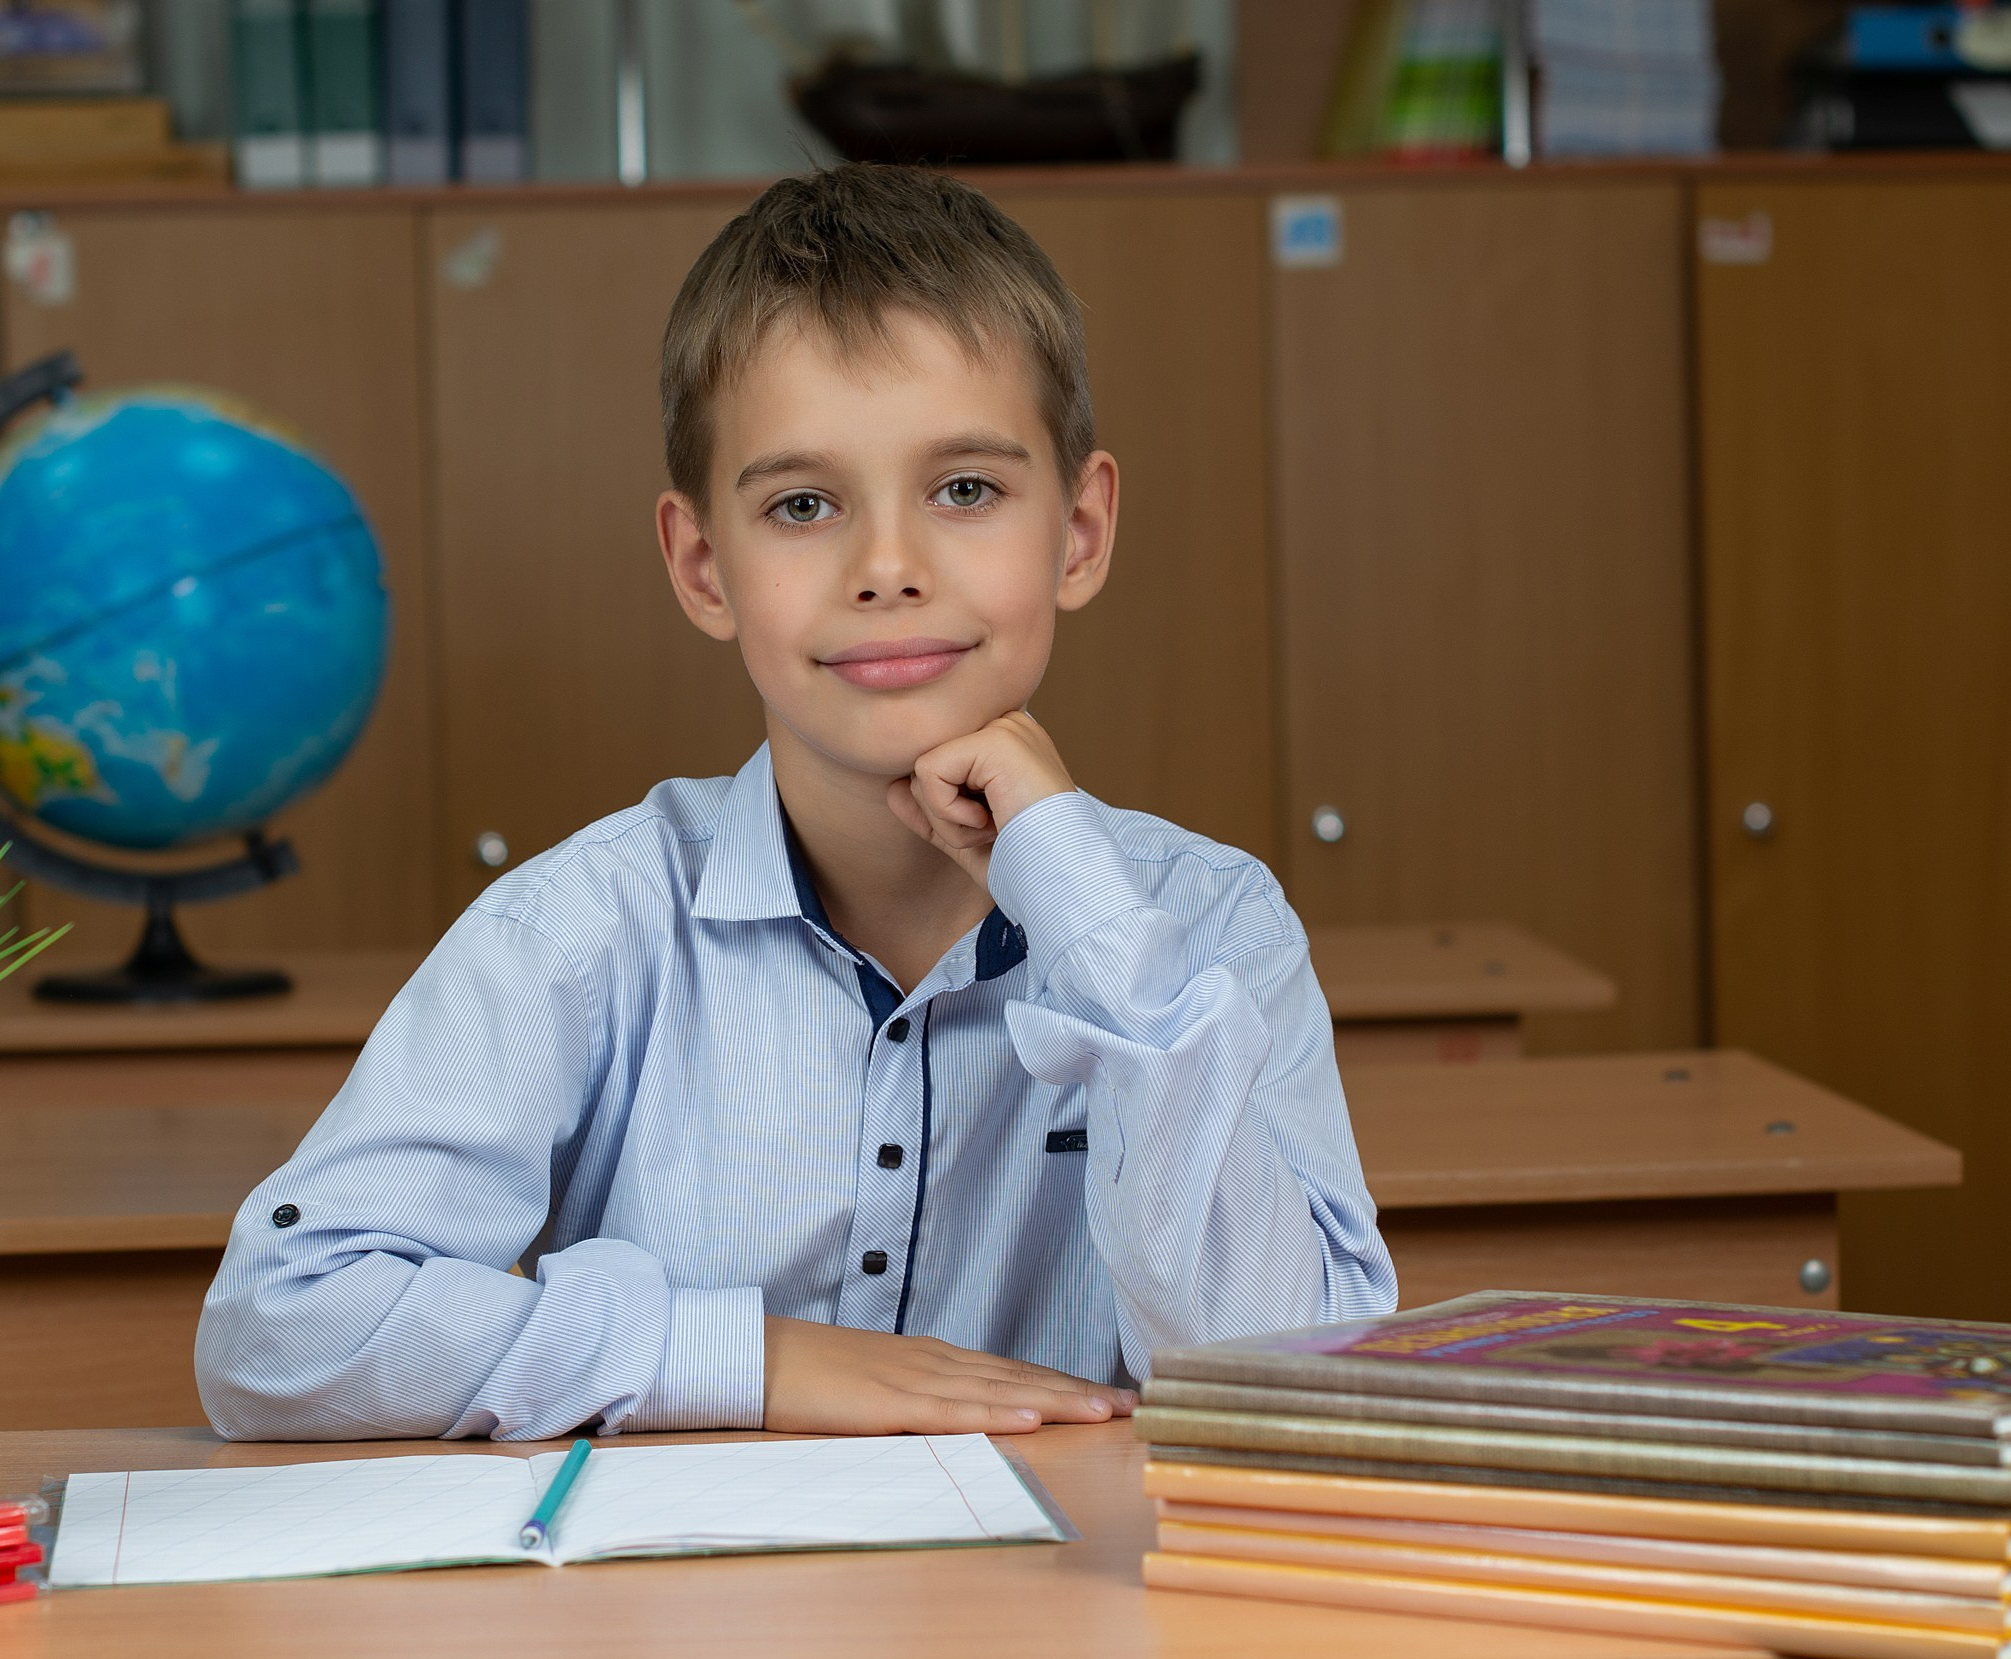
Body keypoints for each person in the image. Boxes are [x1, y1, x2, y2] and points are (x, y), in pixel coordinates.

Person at [196, 164, 1395, 1443]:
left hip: (1074, 1625)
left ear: (1081, 532)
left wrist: (1088, 922)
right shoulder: (584, 931)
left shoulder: (1202, 927)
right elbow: (277, 1326)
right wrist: (750, 1360)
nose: (887, 568)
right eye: (804, 506)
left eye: (967, 490)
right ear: (704, 567)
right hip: (701, 1638)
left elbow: (1301, 1382)